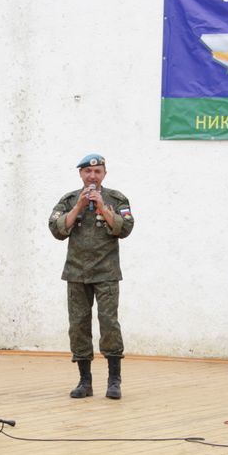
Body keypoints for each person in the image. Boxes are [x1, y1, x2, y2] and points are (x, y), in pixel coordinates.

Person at [49, 153, 134, 399]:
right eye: (88, 172)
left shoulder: (116, 199)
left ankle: (114, 381)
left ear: (104, 174)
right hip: (76, 273)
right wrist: (78, 207)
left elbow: (125, 228)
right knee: (78, 326)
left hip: (106, 273)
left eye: (97, 172)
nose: (92, 176)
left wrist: (101, 208)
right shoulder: (68, 200)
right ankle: (85, 381)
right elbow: (57, 229)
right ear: (81, 174)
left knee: (109, 325)